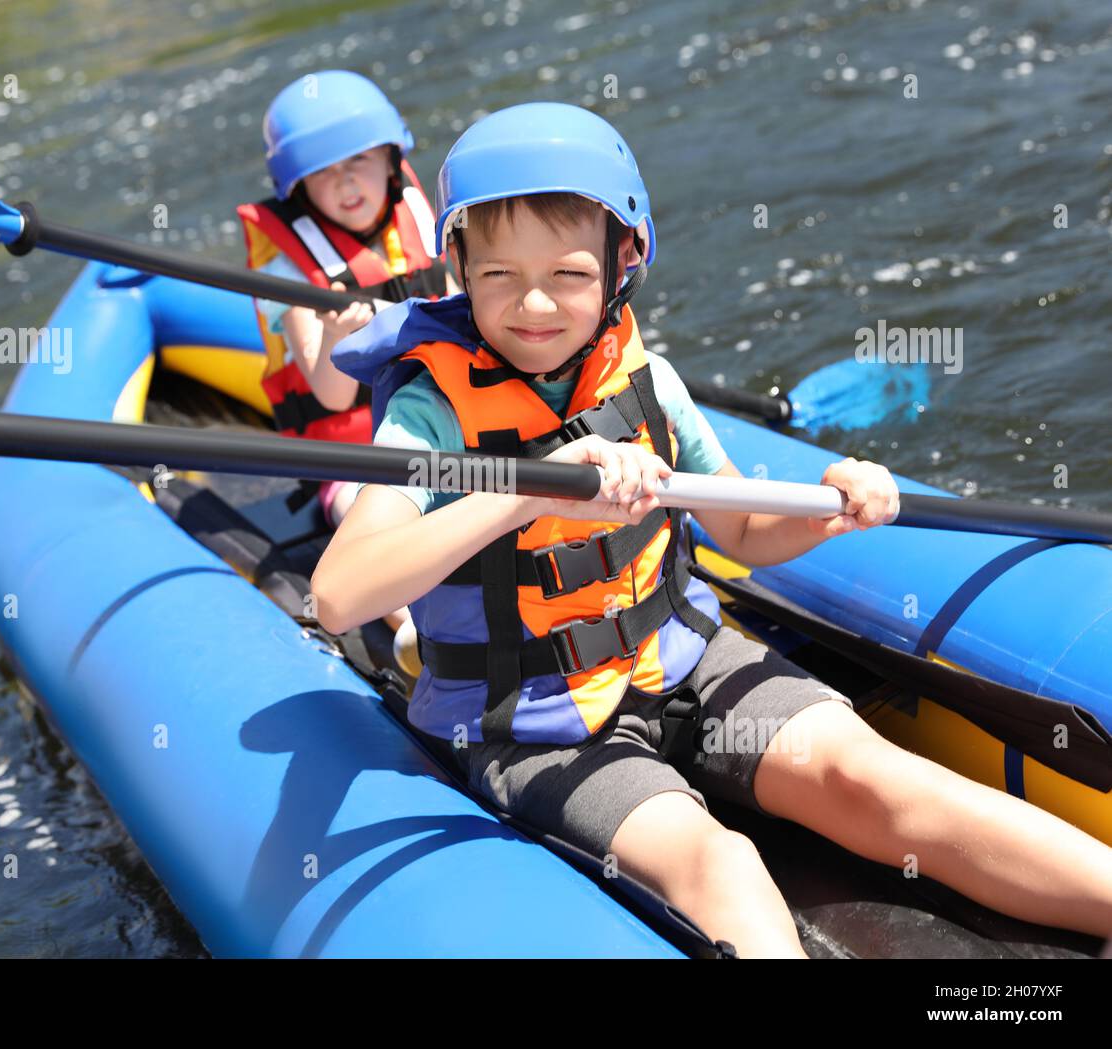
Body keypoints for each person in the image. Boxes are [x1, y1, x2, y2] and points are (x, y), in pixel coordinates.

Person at [311, 102, 1112, 957]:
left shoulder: (647, 378)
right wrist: (522, 495)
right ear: (459, 265)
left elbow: (745, 529)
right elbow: (338, 593)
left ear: (624, 264)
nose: (534, 304)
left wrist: (831, 507)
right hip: (535, 719)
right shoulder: (431, 414)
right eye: (498, 274)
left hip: (690, 655)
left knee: (877, 780)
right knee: (718, 861)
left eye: (569, 274)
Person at [239, 69, 458, 668]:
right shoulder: (293, 274)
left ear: (391, 159)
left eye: (359, 160)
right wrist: (338, 338)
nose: (346, 181)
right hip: (355, 455)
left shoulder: (426, 220)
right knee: (368, 515)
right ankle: (412, 627)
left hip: (442, 420)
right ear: (298, 187)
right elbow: (332, 397)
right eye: (324, 171)